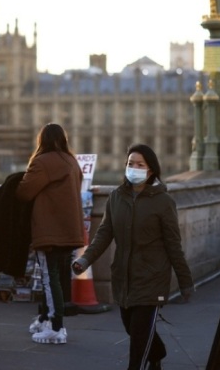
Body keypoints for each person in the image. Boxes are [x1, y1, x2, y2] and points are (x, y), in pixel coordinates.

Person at [72, 144, 194, 370]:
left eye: (140, 164)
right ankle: (158, 352)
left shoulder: (163, 202)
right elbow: (104, 233)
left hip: (151, 279)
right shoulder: (116, 197)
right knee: (132, 328)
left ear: (151, 170)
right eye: (130, 164)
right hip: (124, 277)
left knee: (138, 342)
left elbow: (173, 246)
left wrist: (185, 281)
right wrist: (85, 260)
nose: (134, 168)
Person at [15, 123, 85, 345]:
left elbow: (24, 192)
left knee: (48, 277)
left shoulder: (43, 162)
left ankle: (56, 327)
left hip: (50, 230)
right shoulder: (71, 161)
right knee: (54, 277)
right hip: (69, 229)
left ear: (41, 140)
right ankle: (46, 318)